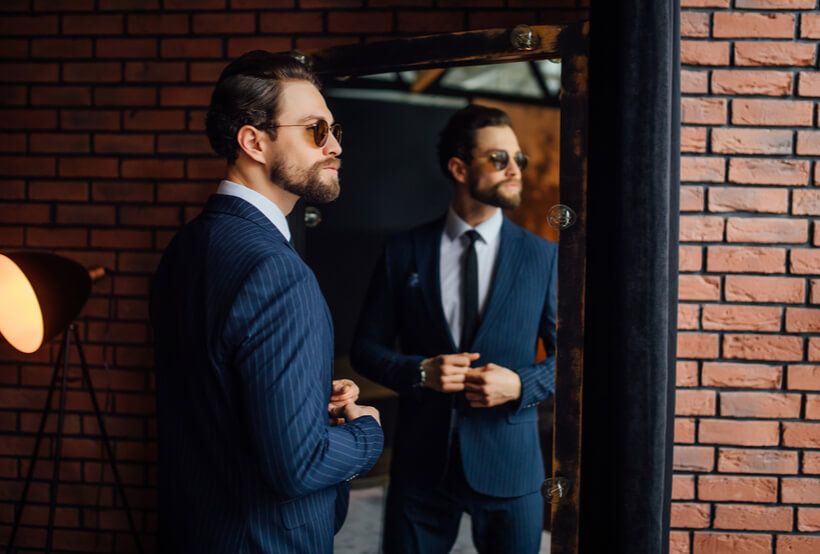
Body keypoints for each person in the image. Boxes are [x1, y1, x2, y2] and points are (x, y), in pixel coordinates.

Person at [150, 51, 384, 554]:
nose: (335, 145)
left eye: (334, 128)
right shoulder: (276, 272)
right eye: (315, 130)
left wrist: (305, 404)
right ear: (254, 141)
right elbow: (297, 467)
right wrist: (366, 431)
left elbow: (217, 399)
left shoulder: (185, 247)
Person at [351, 104, 557, 554]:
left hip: (510, 465)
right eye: (499, 159)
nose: (515, 170)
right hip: (423, 466)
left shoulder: (543, 258)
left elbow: (577, 359)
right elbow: (365, 348)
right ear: (460, 168)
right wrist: (420, 371)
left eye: (518, 159)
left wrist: (522, 383)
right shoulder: (403, 251)